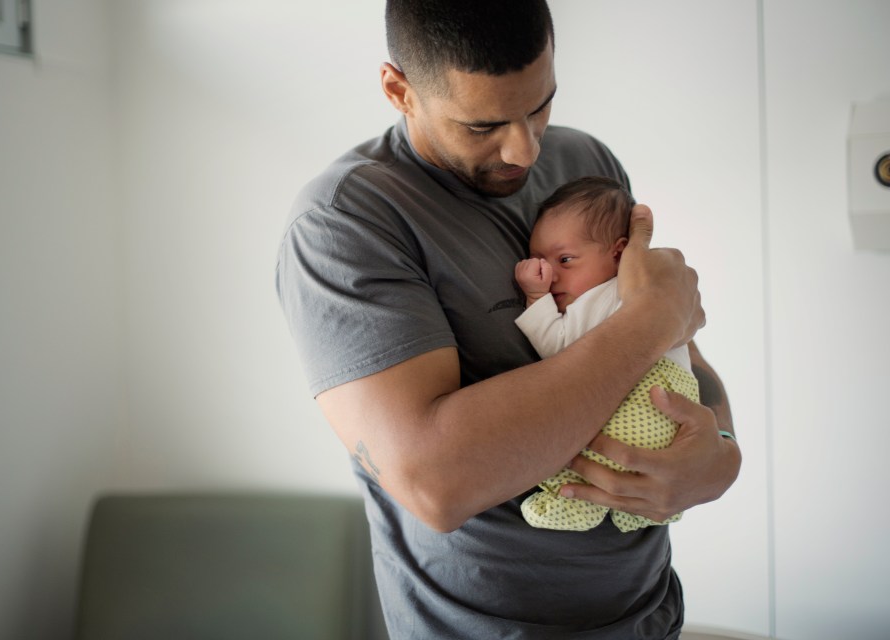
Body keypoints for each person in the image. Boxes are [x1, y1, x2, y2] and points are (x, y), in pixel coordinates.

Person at [276, 1, 741, 638]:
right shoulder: (346, 223)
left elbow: (676, 351)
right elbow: (436, 484)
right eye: (483, 124)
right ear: (399, 90)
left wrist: (721, 453)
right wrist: (650, 321)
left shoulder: (588, 165)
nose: (523, 148)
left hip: (651, 613)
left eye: (540, 105)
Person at [514, 176, 699, 533]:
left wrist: (536, 298)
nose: (550, 274)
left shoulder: (600, 298)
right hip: (674, 411)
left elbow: (555, 346)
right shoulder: (651, 287)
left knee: (575, 461)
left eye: (565, 260)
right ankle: (636, 512)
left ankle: (568, 504)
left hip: (643, 406)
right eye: (540, 261)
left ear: (618, 252)